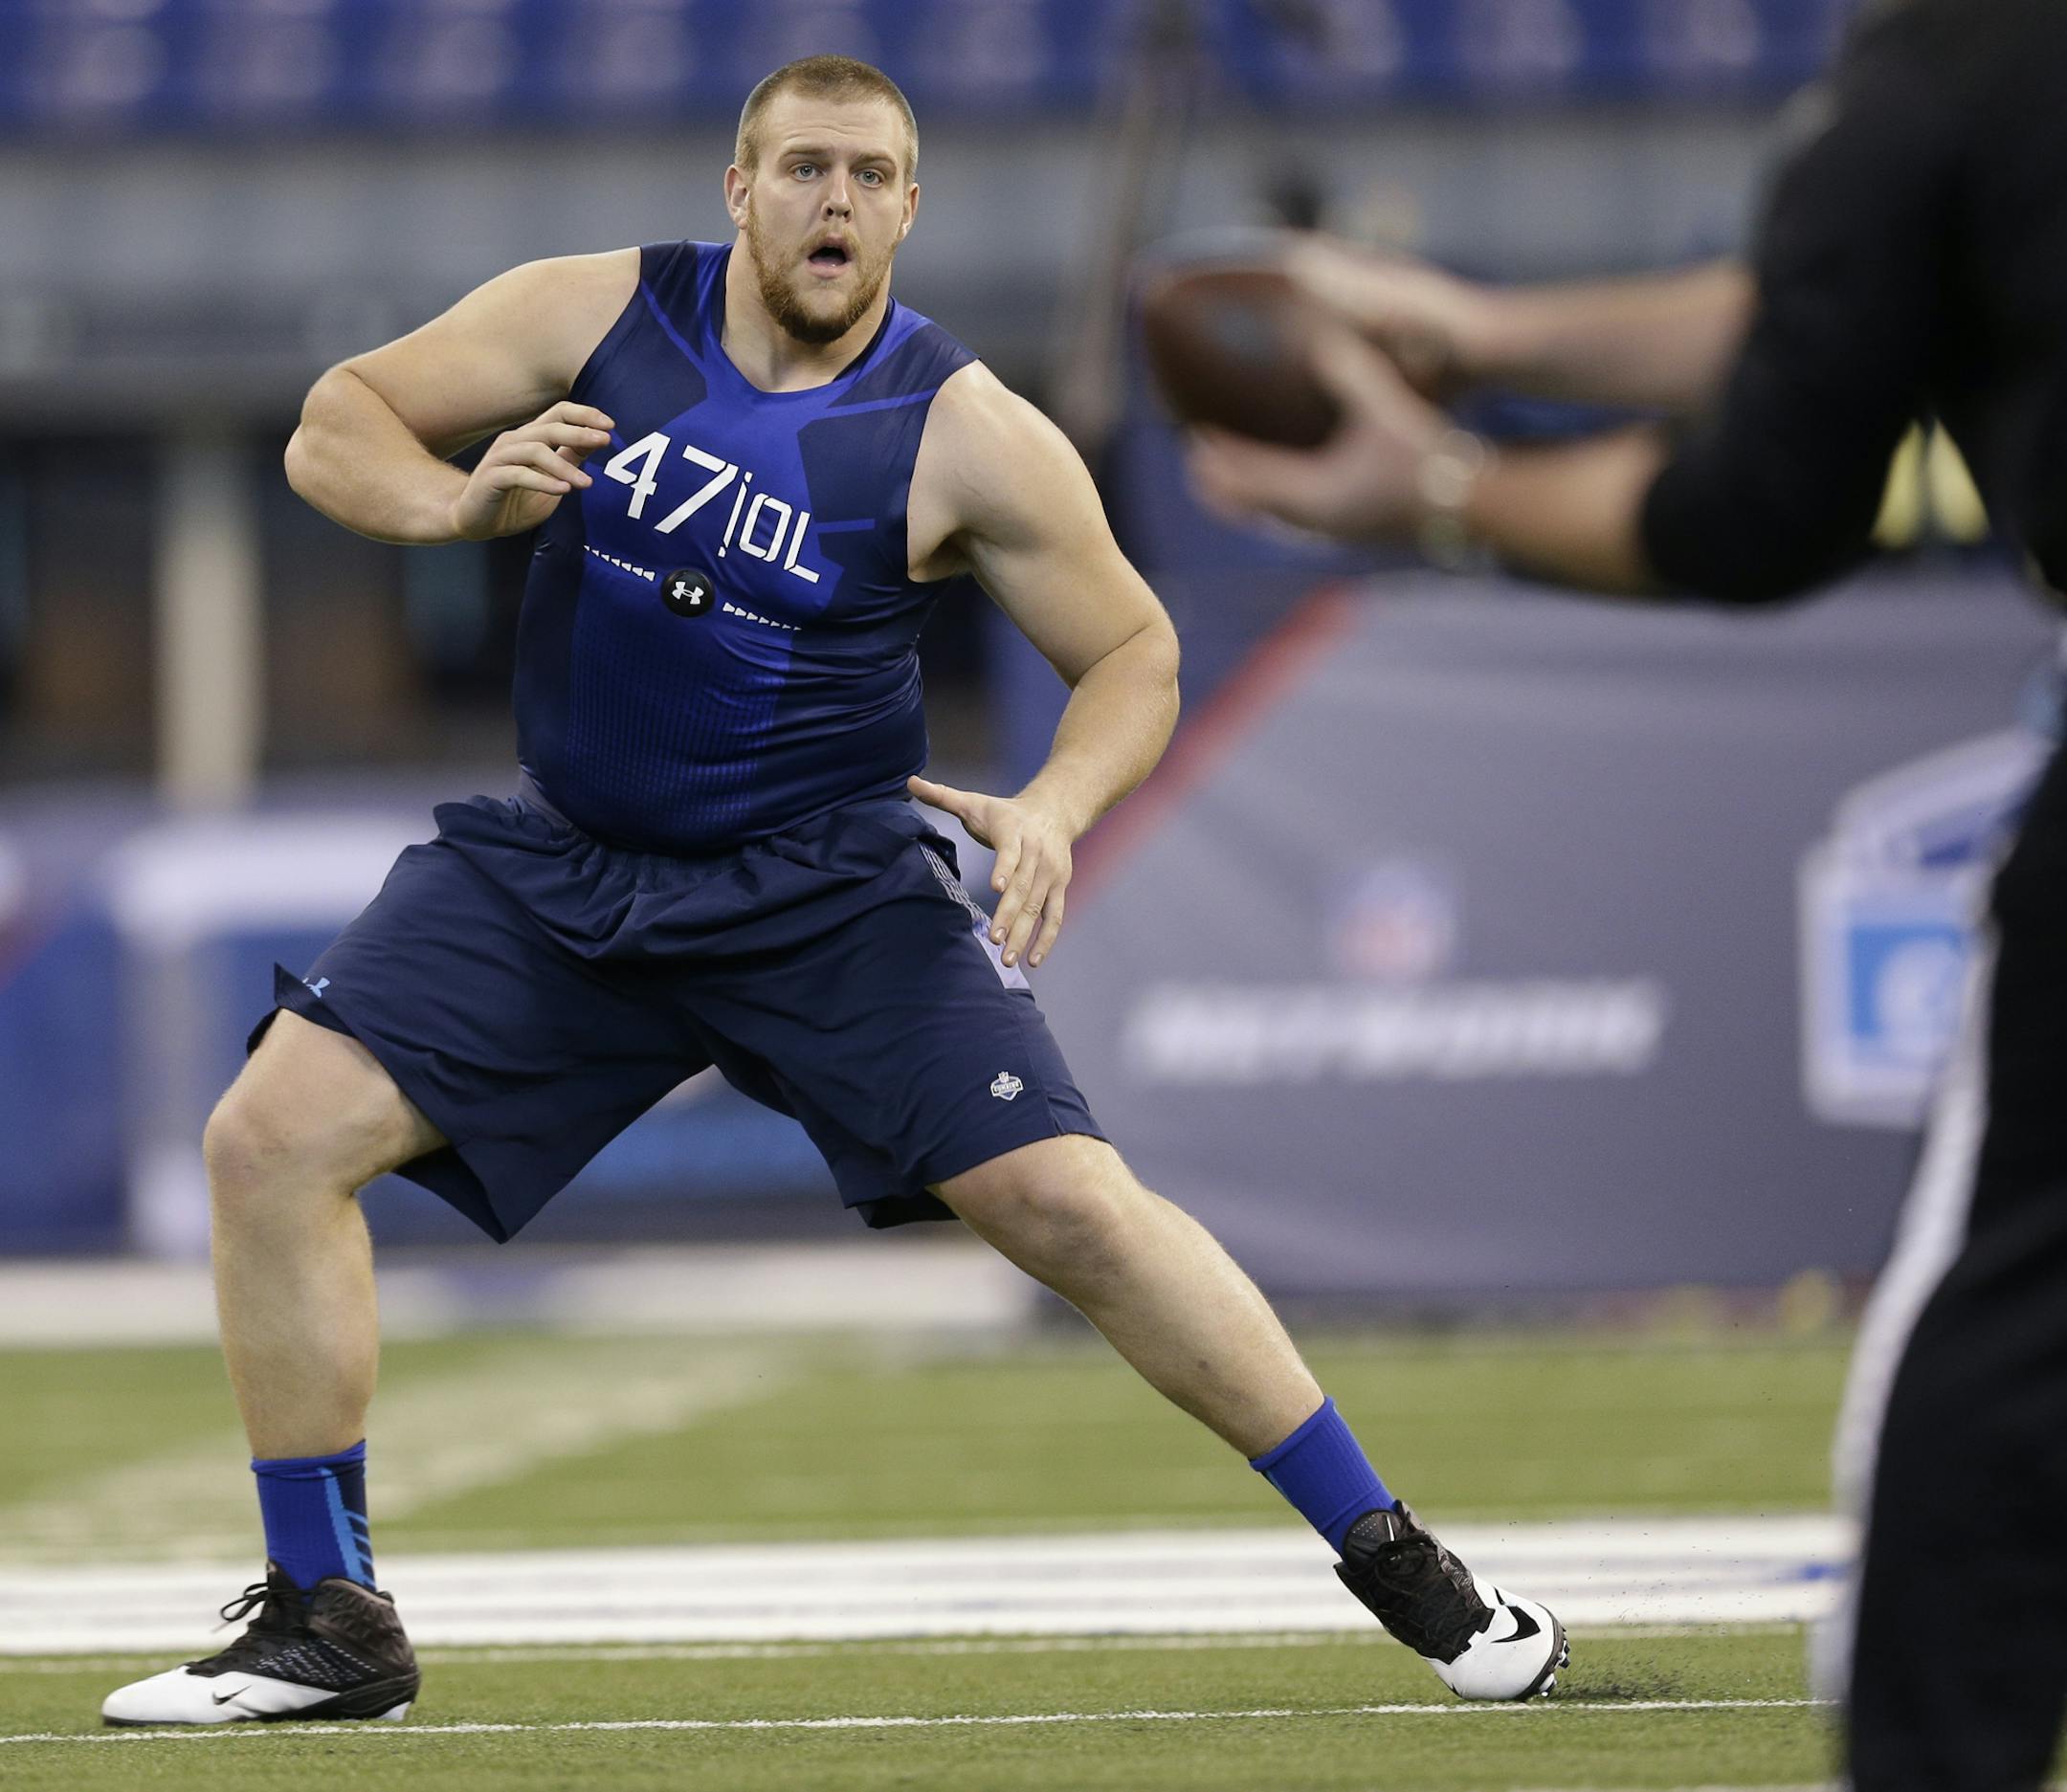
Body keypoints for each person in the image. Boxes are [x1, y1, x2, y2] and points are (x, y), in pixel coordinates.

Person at [101, 56, 1566, 1728]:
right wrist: (458, 496)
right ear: (739, 188)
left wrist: (1062, 806)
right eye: (804, 169)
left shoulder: (963, 430)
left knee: (1072, 1209)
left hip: (826, 888)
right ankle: (327, 1621)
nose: (837, 204)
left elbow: (1136, 652)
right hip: (568, 868)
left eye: (872, 176)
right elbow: (332, 422)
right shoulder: (593, 312)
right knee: (269, 1140)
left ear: (911, 208)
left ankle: (1401, 1561)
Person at [1184, 1, 2067, 1781]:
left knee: (1991, 1346)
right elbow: (1842, 303)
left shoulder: (1956, 66)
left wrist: (1440, 481)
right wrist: (1491, 330)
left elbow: (1761, 498)